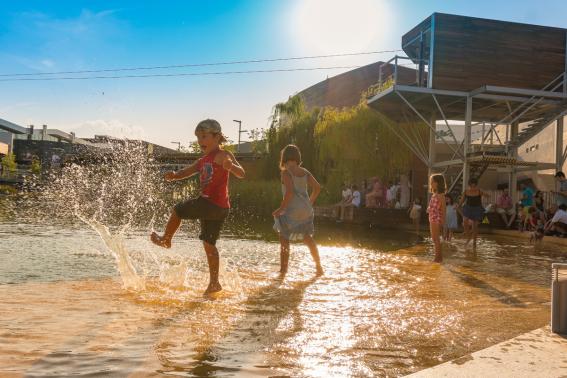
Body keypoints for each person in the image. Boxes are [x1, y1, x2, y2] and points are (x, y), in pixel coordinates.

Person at [150, 119, 245, 296]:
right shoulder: (203, 160)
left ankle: (166, 239)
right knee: (209, 244)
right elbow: (187, 171)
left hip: (211, 203)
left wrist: (231, 167)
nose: (200, 141)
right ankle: (214, 283)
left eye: (204, 136)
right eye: (198, 137)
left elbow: (241, 173)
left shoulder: (223, 155)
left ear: (217, 137)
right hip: (219, 209)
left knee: (178, 209)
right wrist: (174, 176)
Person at [273, 144, 323, 276]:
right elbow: (317, 187)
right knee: (308, 238)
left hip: (292, 210)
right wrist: (309, 202)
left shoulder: (286, 172)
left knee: (284, 238)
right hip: (306, 210)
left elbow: (289, 193)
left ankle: (283, 271)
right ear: (297, 157)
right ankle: (319, 267)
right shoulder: (305, 171)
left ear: (284, 158)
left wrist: (280, 209)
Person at [459, 178, 485, 249]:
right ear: (469, 185)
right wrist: (458, 206)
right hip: (468, 208)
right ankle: (468, 236)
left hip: (477, 208)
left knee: (475, 226)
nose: (473, 188)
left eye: (474, 186)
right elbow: (462, 200)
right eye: (471, 186)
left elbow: (486, 195)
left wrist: (487, 196)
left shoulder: (479, 191)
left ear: (476, 185)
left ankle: (474, 242)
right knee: (465, 221)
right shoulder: (466, 191)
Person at [428, 174, 446, 262]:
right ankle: (439, 257)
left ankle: (437, 258)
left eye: (432, 182)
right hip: (431, 217)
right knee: (434, 238)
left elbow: (443, 209)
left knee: (436, 239)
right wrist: (429, 208)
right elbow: (432, 206)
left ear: (437, 183)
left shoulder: (441, 196)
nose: (430, 183)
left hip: (436, 219)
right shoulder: (434, 194)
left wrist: (443, 221)